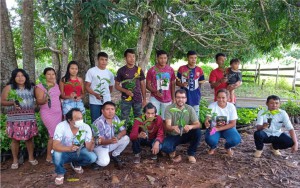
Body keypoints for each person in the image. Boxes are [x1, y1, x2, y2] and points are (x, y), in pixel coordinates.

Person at [1, 69, 38, 169]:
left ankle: (31, 157)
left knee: (29, 139)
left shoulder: (32, 87)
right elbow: (2, 101)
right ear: (14, 77)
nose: (20, 78)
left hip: (29, 117)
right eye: (17, 76)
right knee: (15, 140)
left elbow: (39, 98)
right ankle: (15, 160)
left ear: (26, 77)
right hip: (14, 118)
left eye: (22, 75)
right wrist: (12, 103)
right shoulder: (9, 88)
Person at [52, 108, 97, 185]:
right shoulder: (61, 126)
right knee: (56, 154)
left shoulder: (86, 127)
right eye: (78, 119)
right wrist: (69, 148)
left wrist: (92, 143)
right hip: (64, 151)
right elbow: (55, 146)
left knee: (93, 157)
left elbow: (89, 148)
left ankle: (76, 164)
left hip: (79, 151)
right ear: (69, 120)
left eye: (81, 118)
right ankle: (60, 172)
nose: (81, 120)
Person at [161, 89, 201, 163]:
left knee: (197, 132)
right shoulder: (169, 108)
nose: (180, 100)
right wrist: (173, 127)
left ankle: (191, 154)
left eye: (183, 97)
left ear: (186, 99)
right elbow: (167, 126)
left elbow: (198, 124)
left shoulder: (189, 109)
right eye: (178, 97)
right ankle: (172, 149)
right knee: (165, 147)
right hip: (173, 135)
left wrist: (190, 126)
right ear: (175, 98)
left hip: (186, 133)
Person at [35, 67, 62, 163]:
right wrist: (45, 99)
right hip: (48, 113)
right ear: (44, 75)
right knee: (52, 134)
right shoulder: (40, 86)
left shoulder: (56, 85)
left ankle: (56, 153)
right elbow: (38, 101)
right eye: (48, 74)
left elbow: (58, 98)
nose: (51, 76)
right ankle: (48, 157)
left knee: (57, 134)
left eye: (53, 74)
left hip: (58, 113)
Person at [93, 101, 130, 169]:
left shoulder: (115, 118)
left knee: (126, 138)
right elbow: (98, 141)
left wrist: (118, 136)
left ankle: (115, 155)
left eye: (112, 109)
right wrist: (111, 141)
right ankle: (96, 160)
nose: (110, 111)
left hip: (111, 142)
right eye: (107, 109)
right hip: (100, 146)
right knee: (104, 162)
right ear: (102, 111)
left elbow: (123, 130)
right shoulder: (99, 122)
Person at [204, 89, 241, 156]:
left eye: (223, 98)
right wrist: (207, 122)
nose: (221, 100)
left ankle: (227, 147)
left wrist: (218, 129)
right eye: (219, 97)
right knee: (210, 139)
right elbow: (208, 118)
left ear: (227, 98)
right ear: (216, 97)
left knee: (236, 139)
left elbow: (233, 123)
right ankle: (213, 147)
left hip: (227, 128)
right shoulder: (212, 106)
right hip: (214, 128)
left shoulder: (231, 106)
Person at [115, 49, 146, 122]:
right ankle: (124, 132)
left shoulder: (139, 70)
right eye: (129, 57)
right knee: (124, 118)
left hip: (138, 98)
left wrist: (144, 99)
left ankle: (138, 133)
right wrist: (126, 91)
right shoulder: (121, 70)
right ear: (125, 58)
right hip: (125, 98)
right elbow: (116, 85)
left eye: (133, 57)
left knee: (139, 118)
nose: (132, 59)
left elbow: (142, 84)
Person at [85, 52, 115, 123]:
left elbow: (110, 87)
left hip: (106, 101)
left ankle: (106, 134)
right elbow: (87, 86)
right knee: (95, 121)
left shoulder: (110, 73)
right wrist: (95, 94)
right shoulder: (91, 71)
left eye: (105, 60)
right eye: (102, 59)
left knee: (107, 120)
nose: (104, 62)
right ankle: (96, 134)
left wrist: (106, 95)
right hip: (94, 101)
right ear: (97, 60)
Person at [146, 50, 176, 120]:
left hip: (167, 98)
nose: (163, 60)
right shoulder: (152, 70)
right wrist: (155, 91)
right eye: (161, 58)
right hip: (155, 98)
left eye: (165, 58)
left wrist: (173, 98)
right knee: (152, 118)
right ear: (157, 58)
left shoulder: (170, 70)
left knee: (166, 119)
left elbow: (172, 84)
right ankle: (154, 131)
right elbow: (147, 85)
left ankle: (164, 131)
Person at [176, 50, 205, 117]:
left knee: (195, 116)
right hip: (184, 97)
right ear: (187, 58)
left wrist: (198, 93)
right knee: (183, 116)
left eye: (195, 58)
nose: (193, 60)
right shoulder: (182, 69)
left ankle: (195, 127)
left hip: (195, 97)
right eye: (191, 58)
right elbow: (177, 82)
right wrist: (182, 84)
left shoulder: (199, 70)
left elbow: (200, 83)